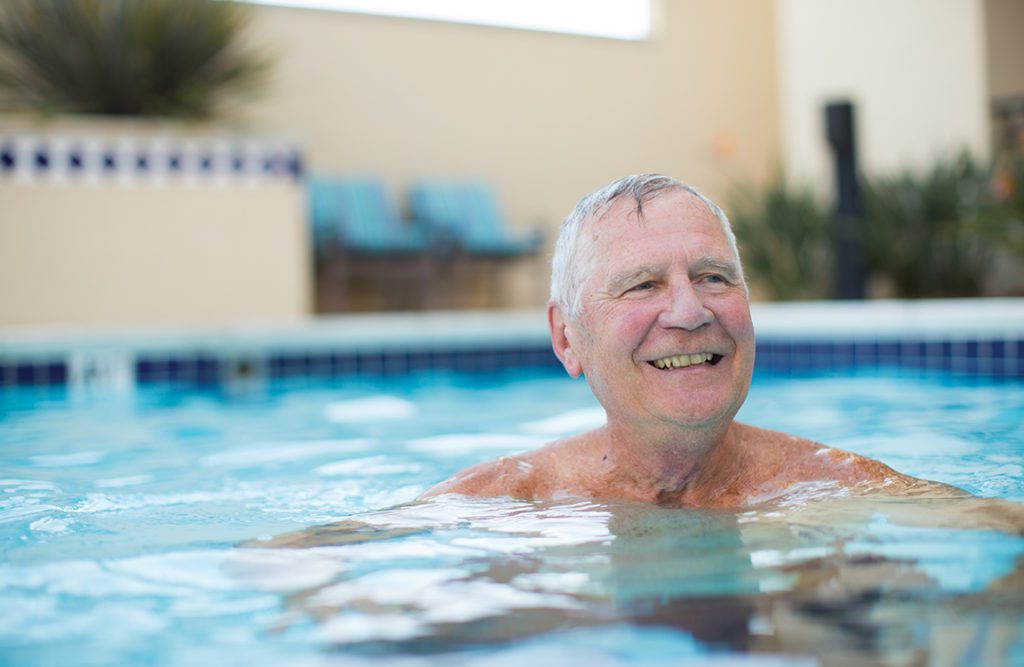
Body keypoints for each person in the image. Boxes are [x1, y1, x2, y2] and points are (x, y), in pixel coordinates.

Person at [421, 174, 958, 508]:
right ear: (567, 338)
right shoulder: (498, 509)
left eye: (713, 277)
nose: (690, 311)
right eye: (643, 284)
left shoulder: (843, 489)